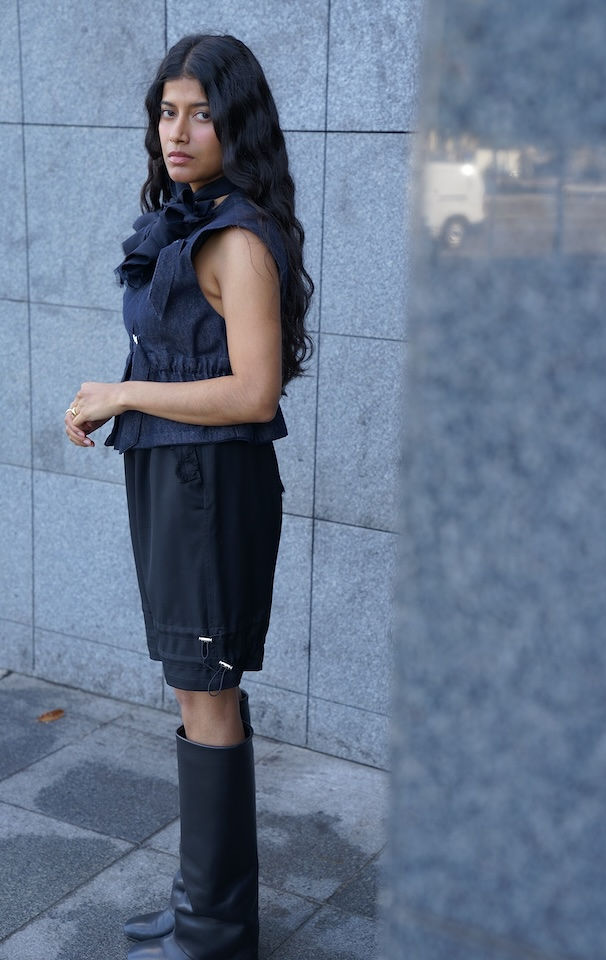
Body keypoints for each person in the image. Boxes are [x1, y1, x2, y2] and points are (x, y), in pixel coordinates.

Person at [64, 34, 312, 960]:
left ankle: (215, 931)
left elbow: (254, 392)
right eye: (167, 112)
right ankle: (207, 907)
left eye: (202, 114)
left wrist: (121, 392)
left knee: (206, 692)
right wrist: (120, 398)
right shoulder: (186, 219)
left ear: (237, 124)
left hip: (208, 489)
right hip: (176, 480)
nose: (178, 131)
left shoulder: (237, 239)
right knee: (196, 687)